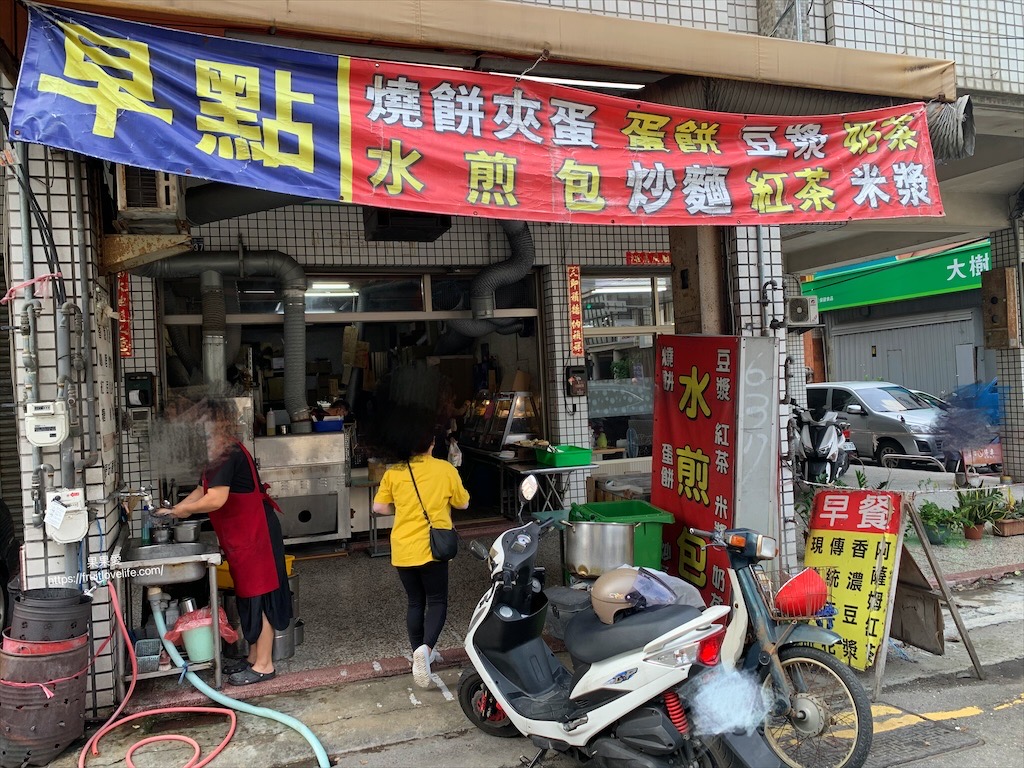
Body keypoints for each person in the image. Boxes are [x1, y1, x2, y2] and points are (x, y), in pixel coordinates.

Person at [157, 398, 292, 686]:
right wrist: (174, 510)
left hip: (258, 536)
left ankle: (264, 666)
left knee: (263, 597)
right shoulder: (216, 455)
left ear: (218, 424)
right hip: (244, 539)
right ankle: (253, 658)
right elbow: (200, 490)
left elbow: (216, 499)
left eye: (202, 424)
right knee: (249, 598)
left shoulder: (227, 452)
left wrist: (184, 511)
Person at [372, 406, 469, 689]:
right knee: (437, 601)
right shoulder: (445, 469)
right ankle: (425, 650)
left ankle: (419, 652)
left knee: (415, 602)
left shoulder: (395, 472)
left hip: (403, 547)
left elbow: (378, 507)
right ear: (431, 443)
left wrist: (400, 505)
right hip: (433, 548)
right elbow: (463, 503)